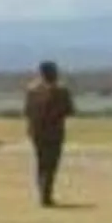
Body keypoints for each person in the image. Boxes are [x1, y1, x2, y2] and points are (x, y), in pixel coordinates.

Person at [23, 60, 75, 207]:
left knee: (41, 163)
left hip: (38, 132)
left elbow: (27, 111)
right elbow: (69, 110)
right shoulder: (62, 91)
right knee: (51, 164)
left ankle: (43, 192)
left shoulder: (32, 90)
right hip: (54, 133)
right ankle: (46, 194)